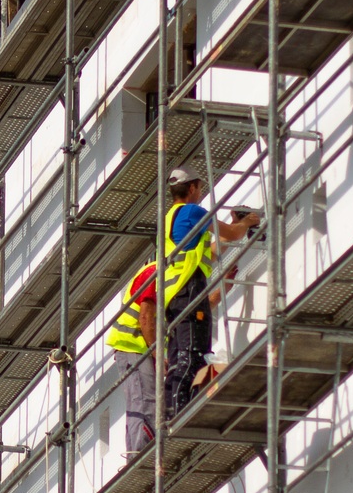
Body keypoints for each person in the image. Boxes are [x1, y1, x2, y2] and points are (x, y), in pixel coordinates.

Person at [106, 167, 260, 453]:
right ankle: (141, 454)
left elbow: (211, 252)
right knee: (149, 397)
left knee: (173, 374)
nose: (200, 193)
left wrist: (218, 292)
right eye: (199, 188)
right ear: (192, 189)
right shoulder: (186, 220)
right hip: (135, 347)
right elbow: (146, 316)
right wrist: (247, 222)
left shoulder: (177, 240)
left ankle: (158, 438)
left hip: (175, 313)